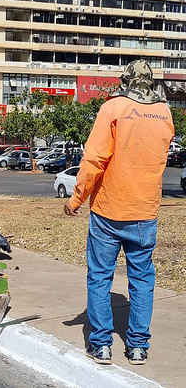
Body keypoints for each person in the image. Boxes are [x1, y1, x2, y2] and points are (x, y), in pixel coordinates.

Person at [63, 59, 174, 366]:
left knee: (100, 277)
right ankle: (137, 347)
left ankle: (101, 346)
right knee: (142, 279)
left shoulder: (113, 108)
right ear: (151, 82)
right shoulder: (165, 112)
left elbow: (94, 160)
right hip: (145, 211)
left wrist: (76, 199)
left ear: (124, 80)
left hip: (109, 212)